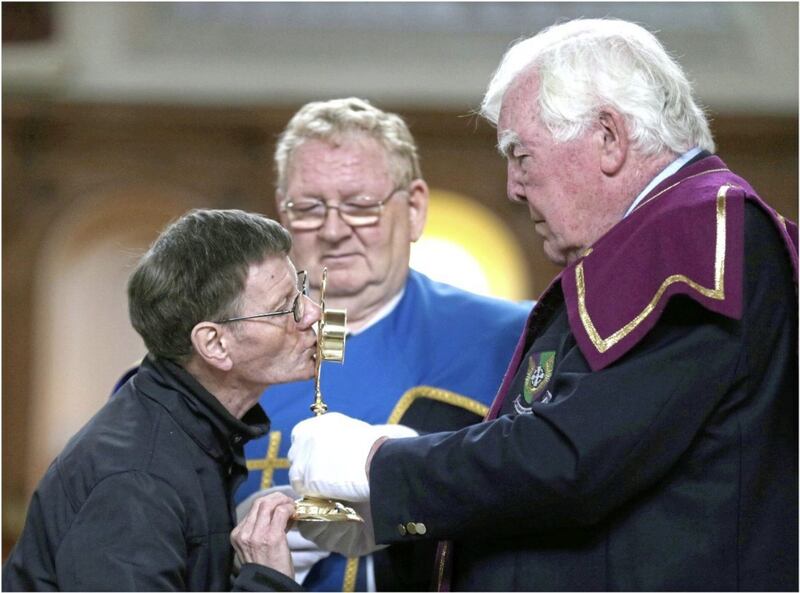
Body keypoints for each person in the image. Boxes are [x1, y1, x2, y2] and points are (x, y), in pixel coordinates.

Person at [287, 18, 798, 591]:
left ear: (609, 136)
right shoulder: (658, 240)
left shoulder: (693, 233)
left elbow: (571, 460)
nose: (512, 186)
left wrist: (379, 467)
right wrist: (393, 511)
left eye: (521, 154)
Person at [234, 97, 531, 591]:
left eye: (361, 206)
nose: (333, 229)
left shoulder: (511, 339)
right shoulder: (225, 352)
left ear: (414, 209)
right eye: (308, 208)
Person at [3, 209, 317, 591]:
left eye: (300, 290)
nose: (312, 313)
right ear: (214, 344)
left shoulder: (187, 426)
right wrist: (266, 579)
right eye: (287, 306)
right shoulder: (136, 480)